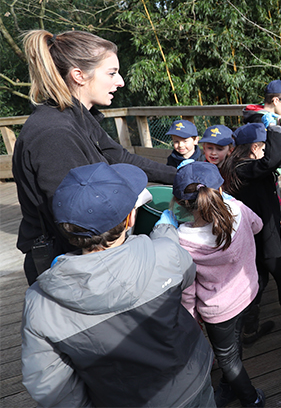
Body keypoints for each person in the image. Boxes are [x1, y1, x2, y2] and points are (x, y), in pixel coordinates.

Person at [21, 162, 215, 408]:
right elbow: (185, 272)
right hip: (191, 384)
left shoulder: (39, 303)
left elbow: (48, 385)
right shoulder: (166, 255)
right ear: (131, 218)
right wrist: (165, 229)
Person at [12, 30, 176, 285]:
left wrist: (182, 175)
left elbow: (121, 158)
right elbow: (74, 220)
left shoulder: (77, 117)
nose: (120, 81)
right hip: (67, 265)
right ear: (79, 75)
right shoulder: (54, 134)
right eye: (111, 73)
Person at [173, 161, 266, 408]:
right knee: (233, 346)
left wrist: (192, 318)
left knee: (226, 358)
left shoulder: (182, 240)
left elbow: (188, 289)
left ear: (182, 203)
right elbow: (258, 225)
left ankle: (251, 399)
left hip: (218, 312)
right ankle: (229, 385)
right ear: (221, 189)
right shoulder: (238, 208)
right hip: (247, 292)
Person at [222, 123, 281, 337]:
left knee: (259, 278)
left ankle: (249, 329)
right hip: (265, 234)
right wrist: (274, 129)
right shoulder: (245, 167)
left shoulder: (237, 167)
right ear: (255, 147)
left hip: (254, 233)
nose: (265, 152)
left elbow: (270, 165)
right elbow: (272, 160)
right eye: (263, 147)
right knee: (280, 273)